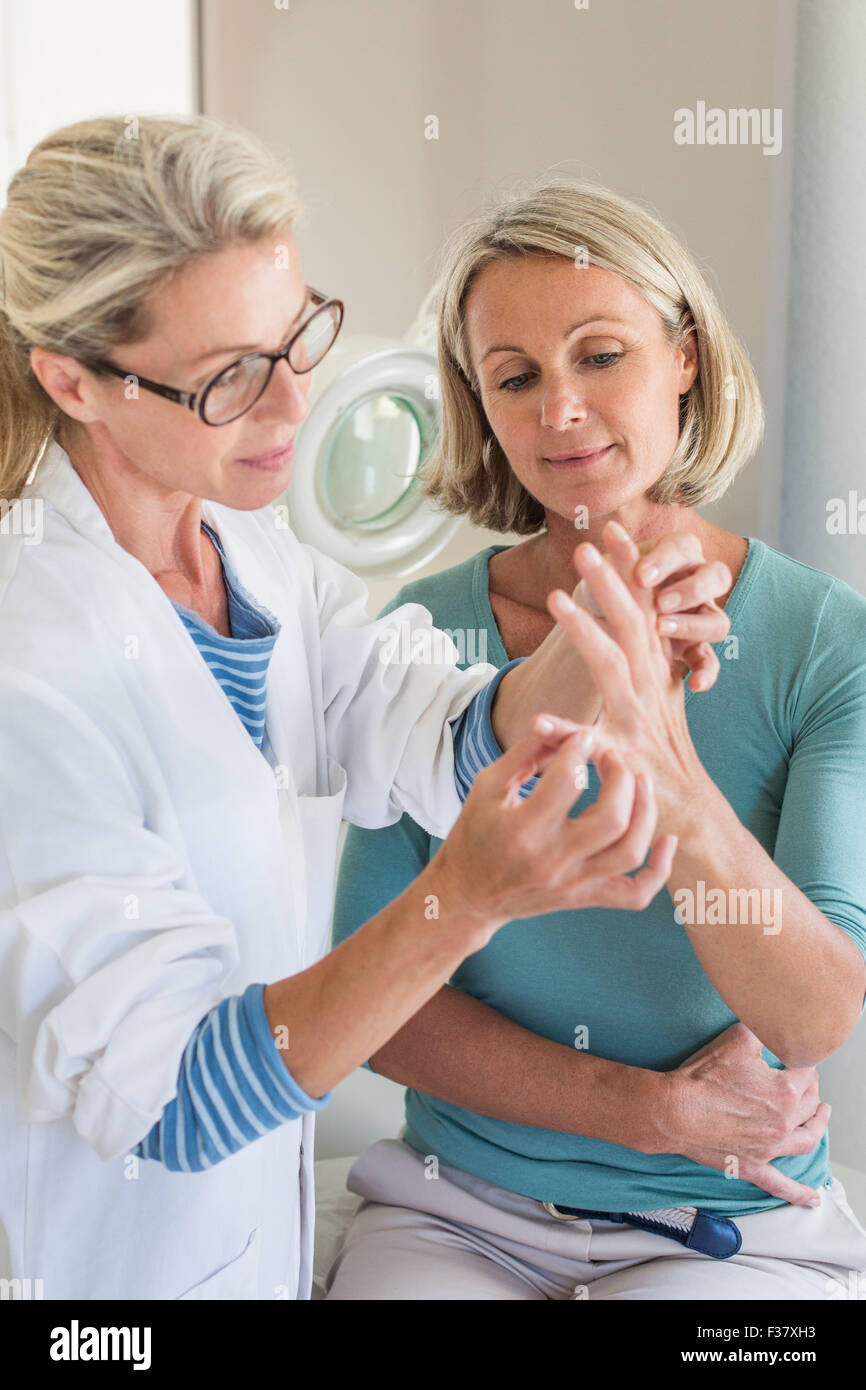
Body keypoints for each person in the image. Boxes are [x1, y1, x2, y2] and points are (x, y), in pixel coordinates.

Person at [0, 116, 728, 1302]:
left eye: (293, 341)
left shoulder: (245, 548)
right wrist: (463, 900)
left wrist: (610, 631)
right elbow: (175, 1097)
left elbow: (429, 723)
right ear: (73, 378)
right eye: (228, 376)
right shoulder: (29, 671)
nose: (290, 409)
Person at [325, 176, 866, 1301]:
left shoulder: (822, 638)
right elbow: (385, 1013)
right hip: (456, 1211)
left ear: (684, 357)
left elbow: (812, 1008)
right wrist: (651, 1111)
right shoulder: (425, 636)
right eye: (512, 377)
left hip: (726, 1221)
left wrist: (662, 759)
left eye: (599, 355)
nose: (556, 409)